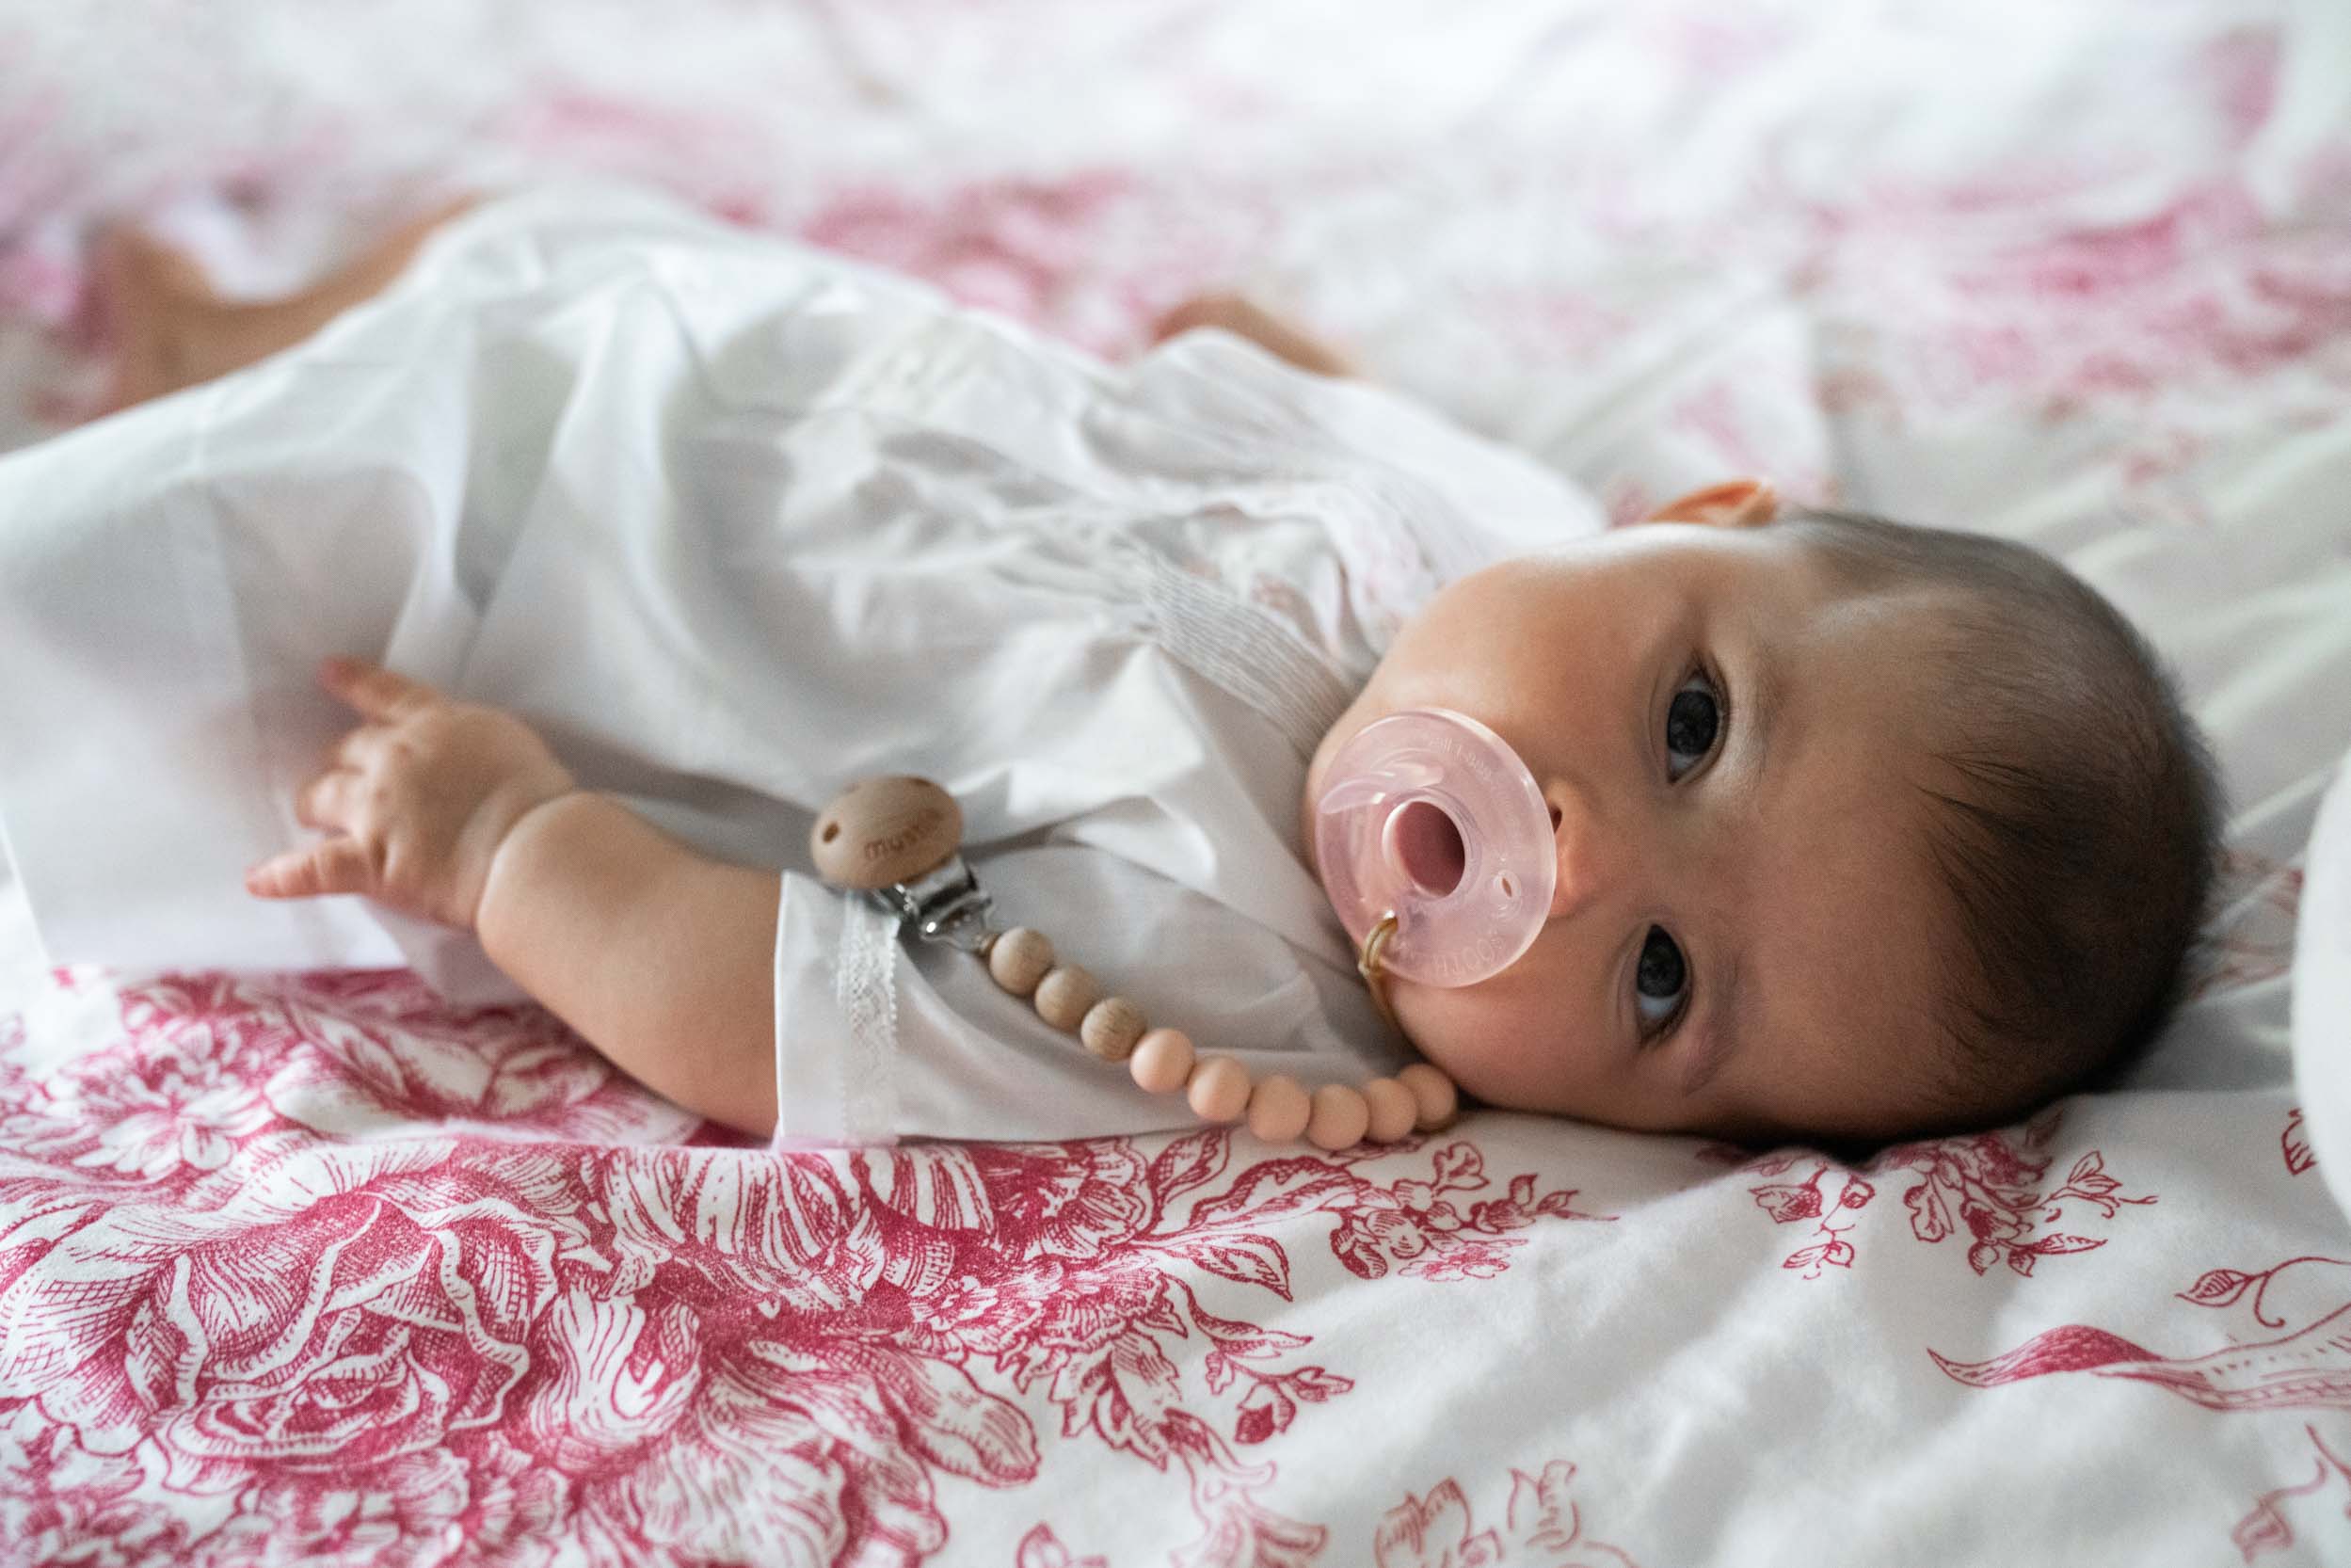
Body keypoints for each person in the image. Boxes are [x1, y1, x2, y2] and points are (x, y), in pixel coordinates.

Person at [0, 184, 2221, 1150]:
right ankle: (207, 331)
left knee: (118, 573)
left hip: (494, 590)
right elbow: (1299, 388)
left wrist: (501, 842)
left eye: (1653, 983)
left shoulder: (1222, 972)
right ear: (1702, 519)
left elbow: (780, 1013)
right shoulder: (1507, 523)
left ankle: (161, 417)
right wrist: (1268, 372)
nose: (1566, 844)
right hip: (706, 346)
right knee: (481, 259)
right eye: (1689, 723)